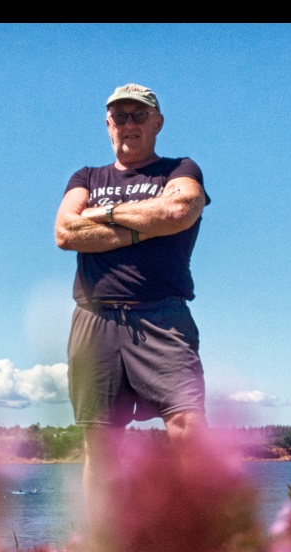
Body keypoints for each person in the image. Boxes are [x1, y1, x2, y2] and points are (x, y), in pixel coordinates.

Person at [52, 83, 211, 493]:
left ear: (157, 122)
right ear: (108, 124)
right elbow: (66, 231)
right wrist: (144, 228)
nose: (129, 124)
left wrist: (100, 215)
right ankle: (101, 535)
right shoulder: (86, 176)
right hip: (94, 319)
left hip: (162, 316)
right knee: (101, 445)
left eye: (139, 115)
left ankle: (202, 532)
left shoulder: (180, 169)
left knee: (188, 426)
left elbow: (179, 208)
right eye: (119, 116)